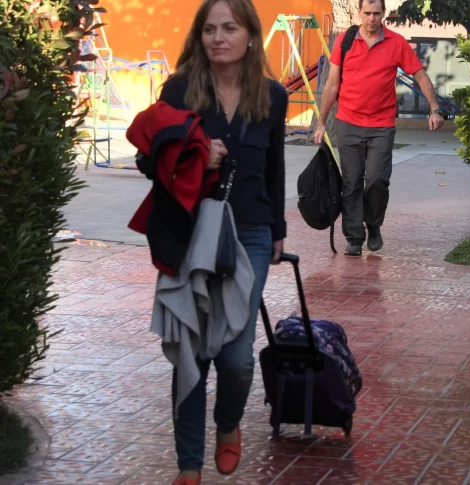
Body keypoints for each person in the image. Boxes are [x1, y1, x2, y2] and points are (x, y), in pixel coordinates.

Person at [155, 0, 287, 483]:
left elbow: (274, 167)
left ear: (250, 34)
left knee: (233, 354)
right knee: (191, 348)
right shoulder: (178, 89)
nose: (218, 37)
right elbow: (151, 159)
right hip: (190, 231)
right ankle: (189, 465)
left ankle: (227, 423)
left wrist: (277, 230)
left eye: (229, 28)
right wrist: (194, 155)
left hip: (249, 232)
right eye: (209, 29)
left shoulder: (272, 95)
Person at [313, 0, 446, 256]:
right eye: (367, 13)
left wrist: (434, 108)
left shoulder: (396, 43)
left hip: (382, 126)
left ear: (384, 14)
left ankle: (373, 224)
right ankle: (354, 237)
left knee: (376, 180)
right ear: (358, 13)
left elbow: (420, 75)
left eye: (376, 14)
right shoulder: (345, 41)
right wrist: (321, 122)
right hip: (348, 122)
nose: (372, 19)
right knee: (351, 182)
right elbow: (332, 85)